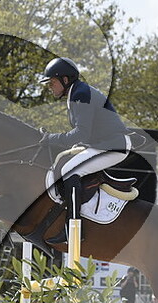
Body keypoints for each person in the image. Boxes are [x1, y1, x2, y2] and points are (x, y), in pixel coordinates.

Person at [37, 57, 133, 244]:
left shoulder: (80, 94)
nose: (50, 87)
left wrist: (50, 139)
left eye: (52, 82)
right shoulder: (77, 92)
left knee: (70, 171)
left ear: (65, 80)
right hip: (104, 144)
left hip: (114, 145)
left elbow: (81, 133)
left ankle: (73, 229)